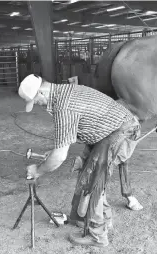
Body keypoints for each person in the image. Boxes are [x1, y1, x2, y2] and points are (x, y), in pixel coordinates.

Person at [18, 74, 143, 247]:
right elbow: (76, 128)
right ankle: (104, 220)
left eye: (36, 101)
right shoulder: (63, 91)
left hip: (121, 131)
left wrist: (37, 171)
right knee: (89, 174)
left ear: (41, 92)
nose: (38, 105)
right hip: (110, 130)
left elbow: (60, 157)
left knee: (93, 181)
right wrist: (54, 151)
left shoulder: (63, 106)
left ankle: (98, 236)